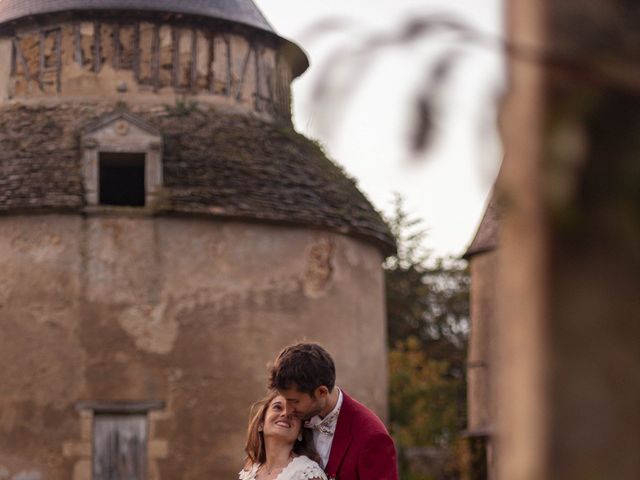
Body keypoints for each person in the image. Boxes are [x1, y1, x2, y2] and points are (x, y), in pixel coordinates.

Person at [268, 342, 399, 480]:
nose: (288, 411)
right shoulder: (294, 421)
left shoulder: (372, 437)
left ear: (321, 392)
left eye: (295, 401)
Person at [239, 390, 328, 480]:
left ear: (300, 432)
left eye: (295, 413)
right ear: (261, 423)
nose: (286, 413)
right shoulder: (249, 471)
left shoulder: (309, 474)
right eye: (278, 407)